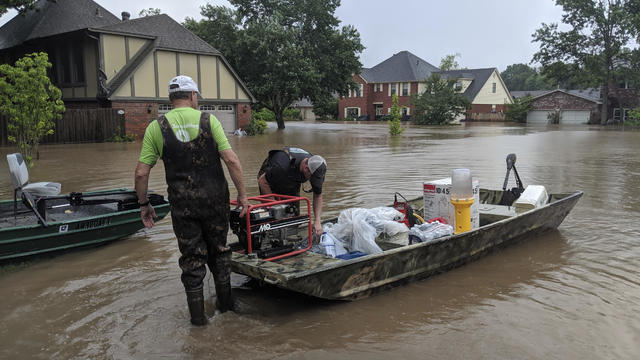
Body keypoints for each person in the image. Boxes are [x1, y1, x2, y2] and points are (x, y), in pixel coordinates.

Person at [134, 75, 249, 326]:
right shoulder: (209, 121)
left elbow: (142, 172)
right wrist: (242, 194)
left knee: (192, 260)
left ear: (171, 98)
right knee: (220, 252)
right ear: (193, 96)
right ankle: (226, 311)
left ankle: (198, 322)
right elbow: (231, 160)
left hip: (182, 207)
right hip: (215, 202)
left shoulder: (157, 127)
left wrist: (144, 205)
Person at [257, 147, 326, 236]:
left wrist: (317, 221)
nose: (313, 181)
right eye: (312, 178)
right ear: (306, 169)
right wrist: (276, 207)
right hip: (270, 178)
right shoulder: (281, 166)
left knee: (293, 214)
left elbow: (318, 195)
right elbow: (262, 182)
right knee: (275, 214)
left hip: (293, 178)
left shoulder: (317, 168)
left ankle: (291, 235)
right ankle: (268, 236)